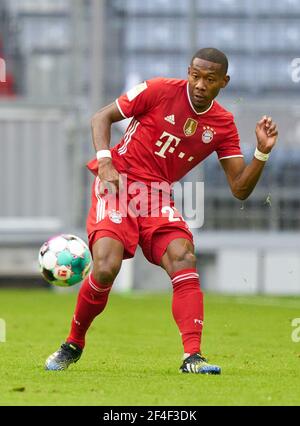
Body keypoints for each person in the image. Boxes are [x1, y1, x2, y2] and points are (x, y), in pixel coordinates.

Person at [45, 47, 278, 374]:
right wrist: (105, 160)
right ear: (188, 72)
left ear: (223, 82)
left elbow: (239, 188)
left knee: (184, 257)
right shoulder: (157, 90)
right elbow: (101, 117)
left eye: (209, 79)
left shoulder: (223, 124)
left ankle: (192, 357)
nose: (199, 84)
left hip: (156, 195)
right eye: (195, 76)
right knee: (106, 266)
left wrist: (261, 154)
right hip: (118, 181)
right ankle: (73, 344)